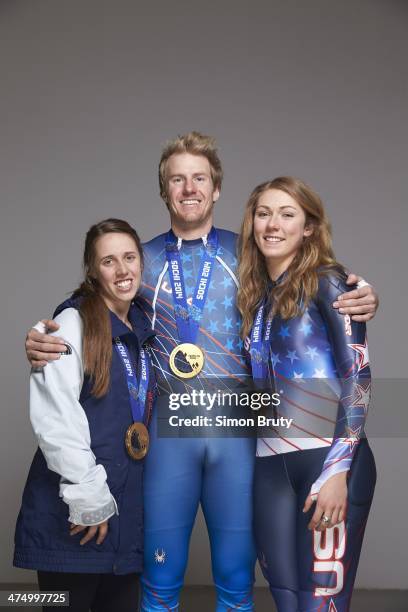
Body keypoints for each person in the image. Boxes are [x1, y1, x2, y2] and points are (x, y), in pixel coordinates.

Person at [24, 133, 379, 611]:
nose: (189, 188)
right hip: (170, 430)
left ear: (216, 190)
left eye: (200, 179)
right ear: (164, 190)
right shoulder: (141, 257)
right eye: (177, 179)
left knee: (237, 575)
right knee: (160, 574)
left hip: (241, 427)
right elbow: (97, 295)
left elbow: (305, 279)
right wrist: (50, 330)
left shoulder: (250, 254)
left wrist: (357, 295)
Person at [237, 177, 376, 612]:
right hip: (269, 464)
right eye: (263, 213)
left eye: (287, 213)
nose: (272, 224)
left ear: (310, 227)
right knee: (284, 597)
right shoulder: (255, 297)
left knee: (322, 602)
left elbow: (360, 378)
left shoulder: (330, 282)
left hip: (327, 462)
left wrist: (338, 471)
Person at [15, 219, 156, 612]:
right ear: (93, 271)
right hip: (77, 518)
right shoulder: (72, 323)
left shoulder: (144, 328)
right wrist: (88, 494)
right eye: (109, 261)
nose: (123, 270)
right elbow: (55, 413)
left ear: (141, 263)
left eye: (129, 257)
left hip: (123, 521)